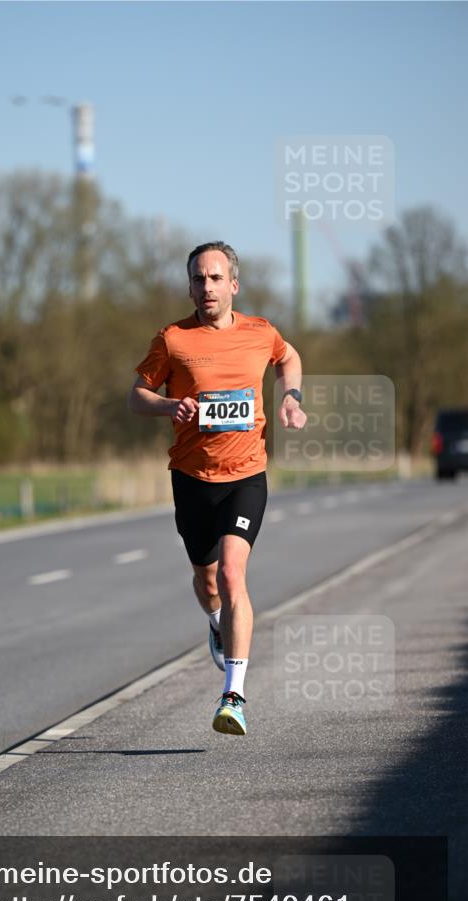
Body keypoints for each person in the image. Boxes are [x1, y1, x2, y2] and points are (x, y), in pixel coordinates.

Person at [128, 241, 306, 736]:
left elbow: (288, 358)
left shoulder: (259, 332)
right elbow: (136, 396)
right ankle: (214, 622)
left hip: (247, 475)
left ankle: (234, 695)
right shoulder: (173, 340)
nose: (205, 287)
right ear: (189, 286)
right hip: (191, 479)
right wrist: (169, 407)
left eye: (213, 278)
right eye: (196, 279)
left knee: (232, 576)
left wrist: (290, 397)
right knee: (208, 583)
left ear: (233, 284)